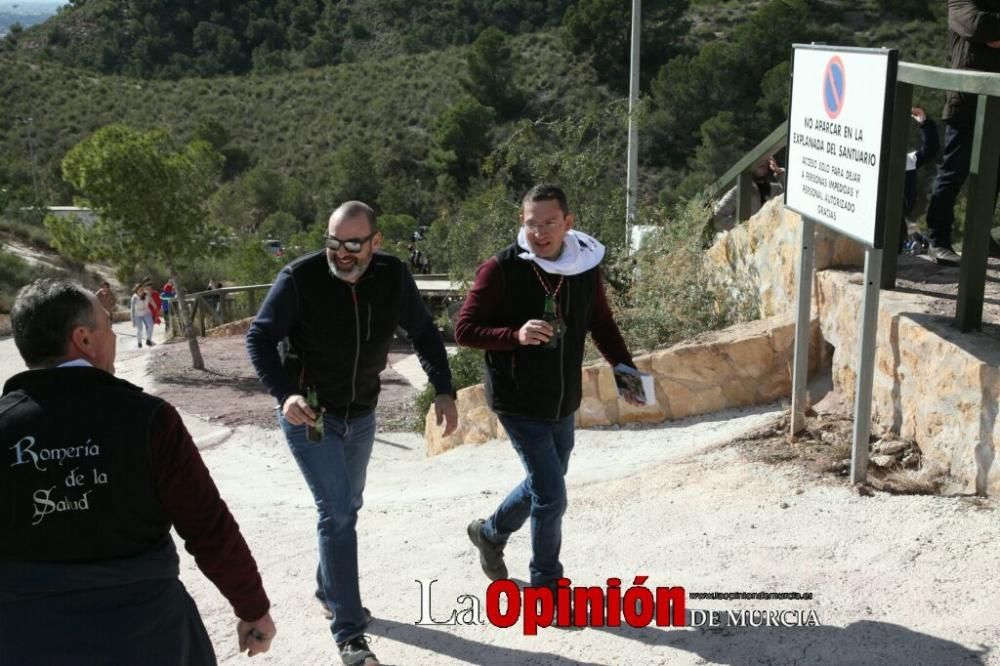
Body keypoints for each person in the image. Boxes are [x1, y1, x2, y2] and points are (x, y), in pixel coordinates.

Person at [0, 279, 276, 663]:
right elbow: (207, 525)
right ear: (83, 339)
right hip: (146, 633)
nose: (114, 339)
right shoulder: (148, 419)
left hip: (27, 638)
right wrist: (252, 608)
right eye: (109, 329)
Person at [246, 200, 458, 666]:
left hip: (361, 412)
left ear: (375, 242)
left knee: (348, 506)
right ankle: (350, 634)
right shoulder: (299, 279)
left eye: (353, 245)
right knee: (337, 511)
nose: (341, 253)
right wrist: (284, 394)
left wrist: (444, 389)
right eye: (333, 242)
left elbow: (423, 331)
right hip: (311, 414)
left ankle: (328, 587)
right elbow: (258, 338)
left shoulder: (392, 276)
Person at [454, 184, 642, 605]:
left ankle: (489, 533)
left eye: (549, 223)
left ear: (568, 223)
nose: (539, 233)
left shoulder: (584, 265)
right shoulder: (501, 269)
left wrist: (626, 373)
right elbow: (464, 330)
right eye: (531, 224)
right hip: (517, 399)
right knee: (552, 495)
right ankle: (547, 586)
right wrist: (514, 335)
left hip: (562, 400)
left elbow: (602, 324)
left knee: (546, 483)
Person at [924, 0, 1000, 265]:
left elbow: (988, 29)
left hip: (996, 102)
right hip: (966, 100)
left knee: (993, 175)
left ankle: (980, 239)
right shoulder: (961, 1)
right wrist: (988, 34)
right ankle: (938, 241)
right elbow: (976, 27)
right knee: (953, 172)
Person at [901, 107, 940, 254]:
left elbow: (931, 149)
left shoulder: (908, 161)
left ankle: (910, 241)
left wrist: (924, 122)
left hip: (900, 221)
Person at [712, 155, 785, 232]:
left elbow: (792, 192)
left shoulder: (774, 189)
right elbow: (717, 216)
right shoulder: (739, 191)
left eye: (766, 166)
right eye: (761, 166)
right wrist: (743, 228)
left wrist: (779, 171)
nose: (764, 169)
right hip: (748, 241)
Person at [129, 283, 155, 348]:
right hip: (137, 314)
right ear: (136, 291)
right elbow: (132, 309)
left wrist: (154, 305)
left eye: (142, 289)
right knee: (140, 329)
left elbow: (151, 300)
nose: (141, 291)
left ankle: (148, 340)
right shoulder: (134, 298)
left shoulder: (147, 294)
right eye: (139, 290)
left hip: (147, 312)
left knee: (150, 326)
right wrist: (133, 321)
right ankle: (139, 343)